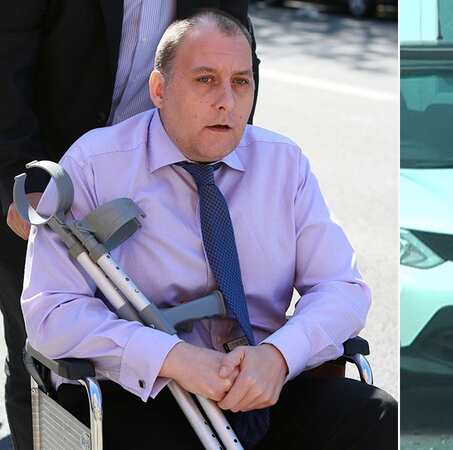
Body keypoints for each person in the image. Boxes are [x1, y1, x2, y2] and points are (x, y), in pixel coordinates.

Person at [21, 9, 396, 450]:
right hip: (150, 391)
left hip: (263, 384)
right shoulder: (94, 165)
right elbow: (50, 312)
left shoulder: (283, 163)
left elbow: (343, 287)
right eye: (205, 80)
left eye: (241, 82)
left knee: (378, 415)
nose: (227, 101)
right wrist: (173, 358)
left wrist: (278, 357)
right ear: (159, 89)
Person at [0, 3, 256, 449]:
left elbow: (235, 52)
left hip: (165, 173)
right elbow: (7, 59)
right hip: (52, 174)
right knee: (44, 362)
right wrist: (22, 178)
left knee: (161, 354)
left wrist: (224, 156)